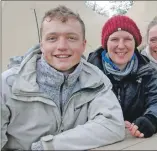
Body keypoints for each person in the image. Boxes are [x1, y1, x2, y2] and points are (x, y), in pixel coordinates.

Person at [1, 6, 125, 150]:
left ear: (83, 45)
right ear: (42, 45)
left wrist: (48, 146)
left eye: (71, 38)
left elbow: (112, 125)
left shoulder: (96, 81)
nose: (62, 46)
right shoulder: (8, 85)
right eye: (52, 38)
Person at [87, 15, 157, 138]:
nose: (121, 45)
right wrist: (109, 122)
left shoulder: (147, 71)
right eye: (114, 39)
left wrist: (152, 119)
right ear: (106, 44)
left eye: (127, 39)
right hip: (97, 139)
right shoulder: (89, 72)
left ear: (135, 43)